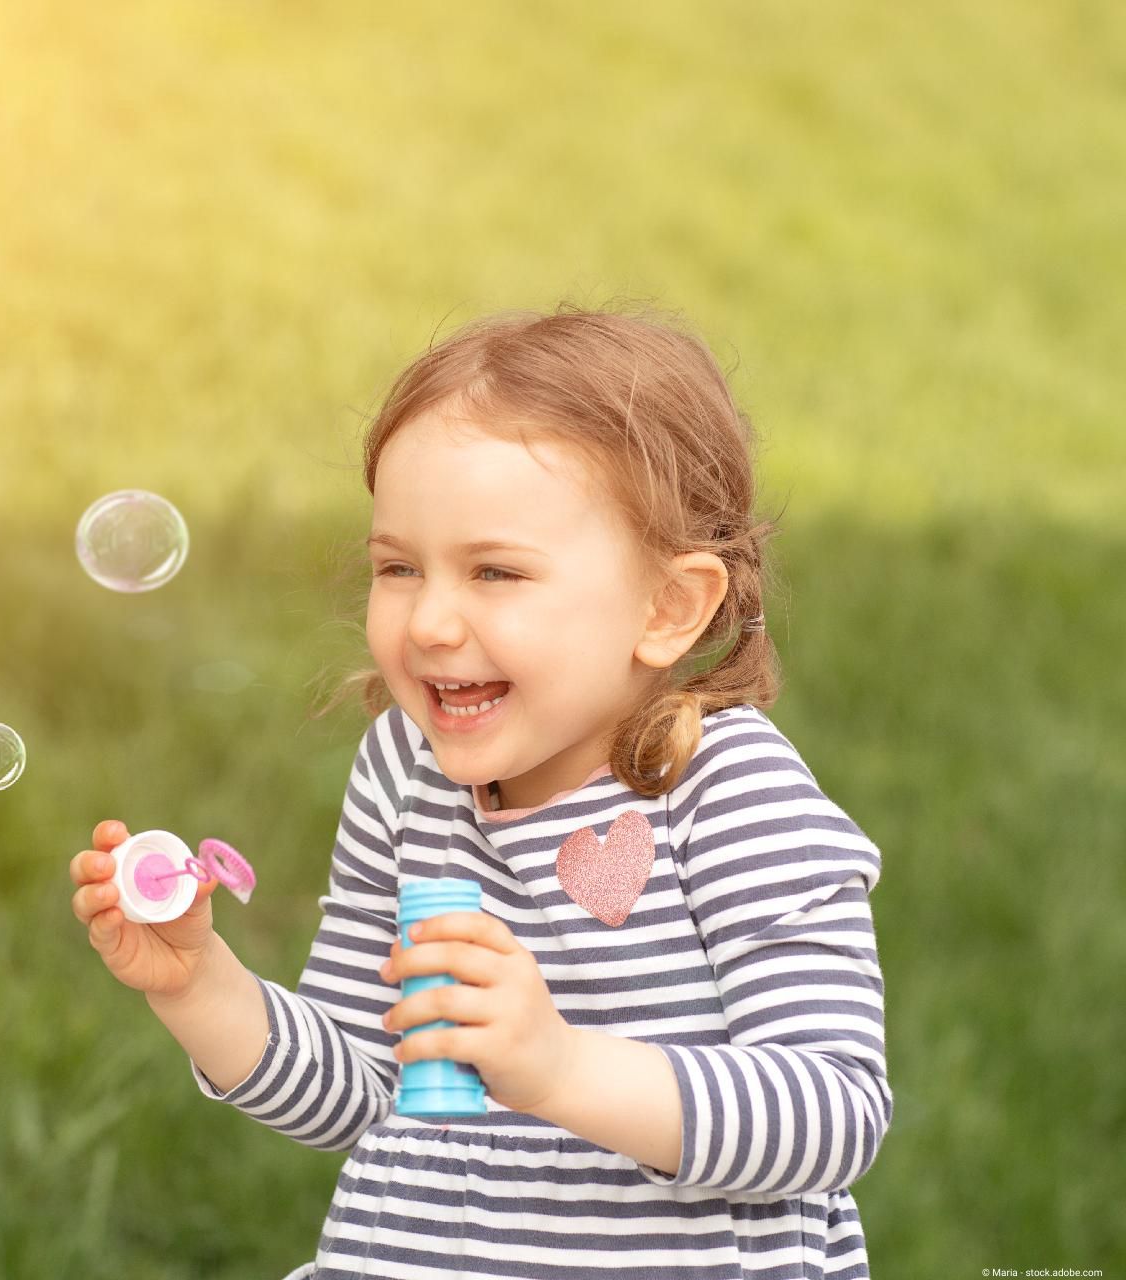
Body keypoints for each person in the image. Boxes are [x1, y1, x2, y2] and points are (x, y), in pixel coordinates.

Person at [69, 303, 890, 1278]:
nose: (430, 622)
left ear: (668, 605)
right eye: (399, 568)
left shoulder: (725, 788)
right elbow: (358, 1087)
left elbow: (832, 1114)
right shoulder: (403, 771)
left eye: (496, 570)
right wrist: (202, 982)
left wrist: (559, 1065)